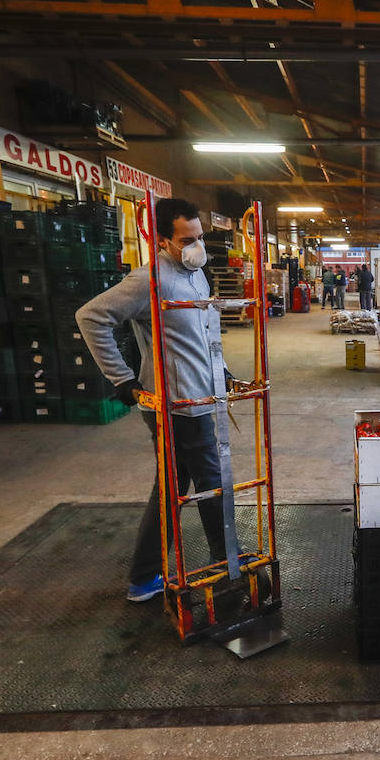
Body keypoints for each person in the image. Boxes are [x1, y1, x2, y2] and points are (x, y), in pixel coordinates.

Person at [77, 197, 232, 603]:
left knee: (171, 487)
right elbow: (91, 317)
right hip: (176, 406)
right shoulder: (149, 281)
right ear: (162, 239)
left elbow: (204, 331)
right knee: (212, 483)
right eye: (186, 239)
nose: (196, 246)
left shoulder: (196, 275)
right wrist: (122, 378)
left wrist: (222, 368)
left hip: (202, 395)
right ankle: (227, 568)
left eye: (199, 237)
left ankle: (144, 578)